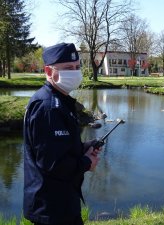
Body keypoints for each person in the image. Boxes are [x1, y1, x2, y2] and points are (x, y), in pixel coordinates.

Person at [23, 43, 100, 225]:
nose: (74, 73)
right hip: (51, 208)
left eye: (76, 67)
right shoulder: (48, 107)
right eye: (67, 68)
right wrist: (87, 163)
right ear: (49, 72)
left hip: (63, 202)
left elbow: (56, 148)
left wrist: (83, 147)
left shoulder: (61, 101)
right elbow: (52, 163)